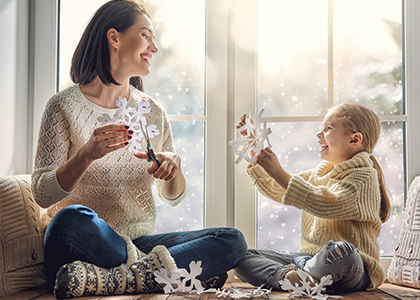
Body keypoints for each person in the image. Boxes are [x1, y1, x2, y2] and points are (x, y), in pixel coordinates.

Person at [32, 1, 247, 298]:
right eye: (146, 35)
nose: (154, 47)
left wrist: (174, 169)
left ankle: (117, 279)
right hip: (80, 244)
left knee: (231, 240)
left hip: (136, 243)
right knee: (70, 219)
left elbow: (172, 196)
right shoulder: (62, 106)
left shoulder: (152, 112)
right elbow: (42, 194)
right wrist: (86, 154)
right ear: (114, 38)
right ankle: (166, 275)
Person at [234, 103, 390, 293]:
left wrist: (279, 171)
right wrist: (254, 147)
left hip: (354, 268)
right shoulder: (319, 173)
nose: (319, 134)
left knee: (342, 251)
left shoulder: (364, 177)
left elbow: (326, 202)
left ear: (354, 139)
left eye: (328, 129)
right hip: (312, 260)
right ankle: (291, 278)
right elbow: (280, 189)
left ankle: (302, 273)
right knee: (241, 256)